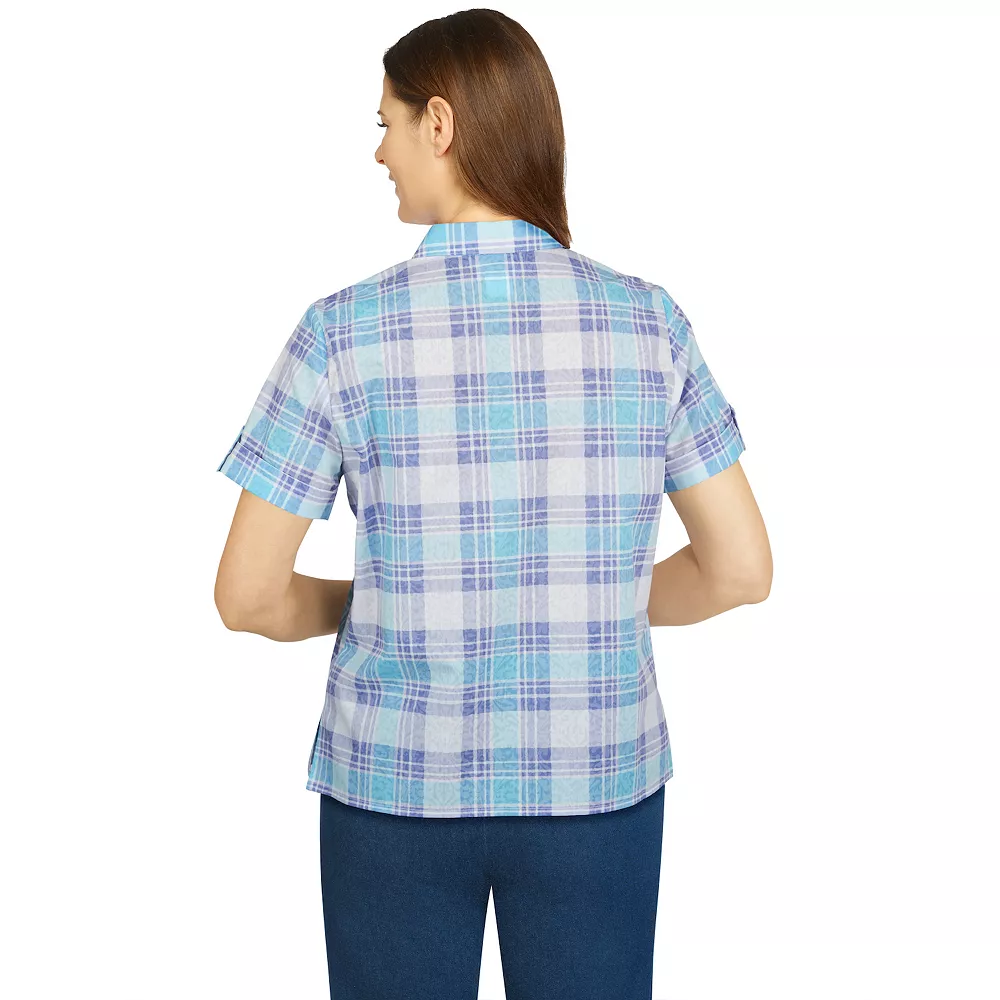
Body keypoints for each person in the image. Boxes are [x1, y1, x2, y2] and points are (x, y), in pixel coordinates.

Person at [213, 9, 772, 1000]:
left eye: (385, 123)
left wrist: (375, 603)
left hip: (393, 789)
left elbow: (248, 597)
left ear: (440, 123)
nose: (378, 152)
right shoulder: (648, 323)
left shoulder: (342, 332)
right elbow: (739, 572)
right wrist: (583, 599)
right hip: (595, 783)